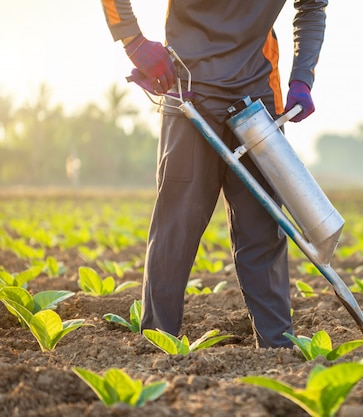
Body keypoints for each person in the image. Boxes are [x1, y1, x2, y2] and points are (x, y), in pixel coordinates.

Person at [100, 0, 328, 348]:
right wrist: (132, 41)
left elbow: (311, 6)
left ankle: (277, 350)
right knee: (177, 226)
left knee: (263, 229)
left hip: (257, 94)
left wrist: (303, 76)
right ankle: (156, 344)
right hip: (189, 88)